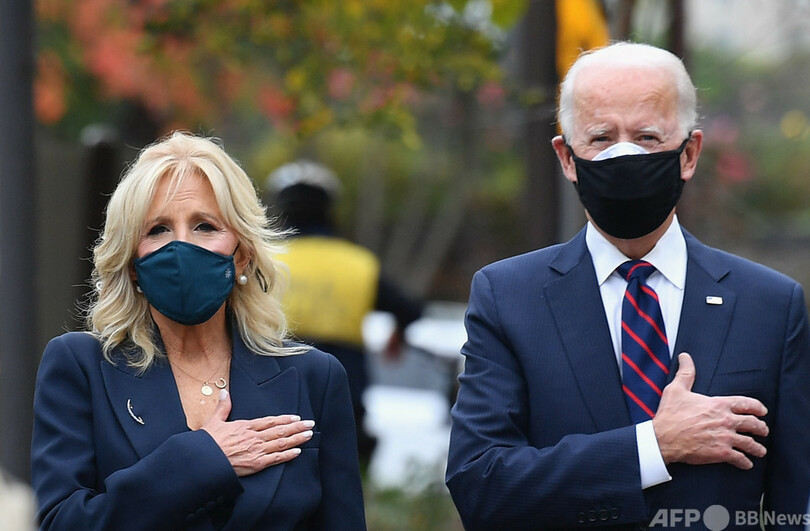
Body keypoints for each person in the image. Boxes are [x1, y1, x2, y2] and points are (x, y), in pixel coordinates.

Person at [445, 42, 810, 530]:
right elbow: (479, 484)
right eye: (601, 137)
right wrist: (652, 446)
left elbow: (796, 502)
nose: (624, 155)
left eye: (646, 137)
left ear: (689, 153)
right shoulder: (508, 297)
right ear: (567, 158)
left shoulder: (771, 304)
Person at [31, 132, 366, 530]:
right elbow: (62, 522)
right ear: (132, 264)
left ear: (242, 255)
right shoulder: (80, 366)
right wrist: (204, 460)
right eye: (158, 229)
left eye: (205, 226)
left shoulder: (315, 377)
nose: (181, 248)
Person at [264, 160, 424, 462]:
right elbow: (410, 309)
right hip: (345, 391)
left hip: (274, 388)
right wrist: (397, 334)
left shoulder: (264, 261)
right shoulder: (359, 263)